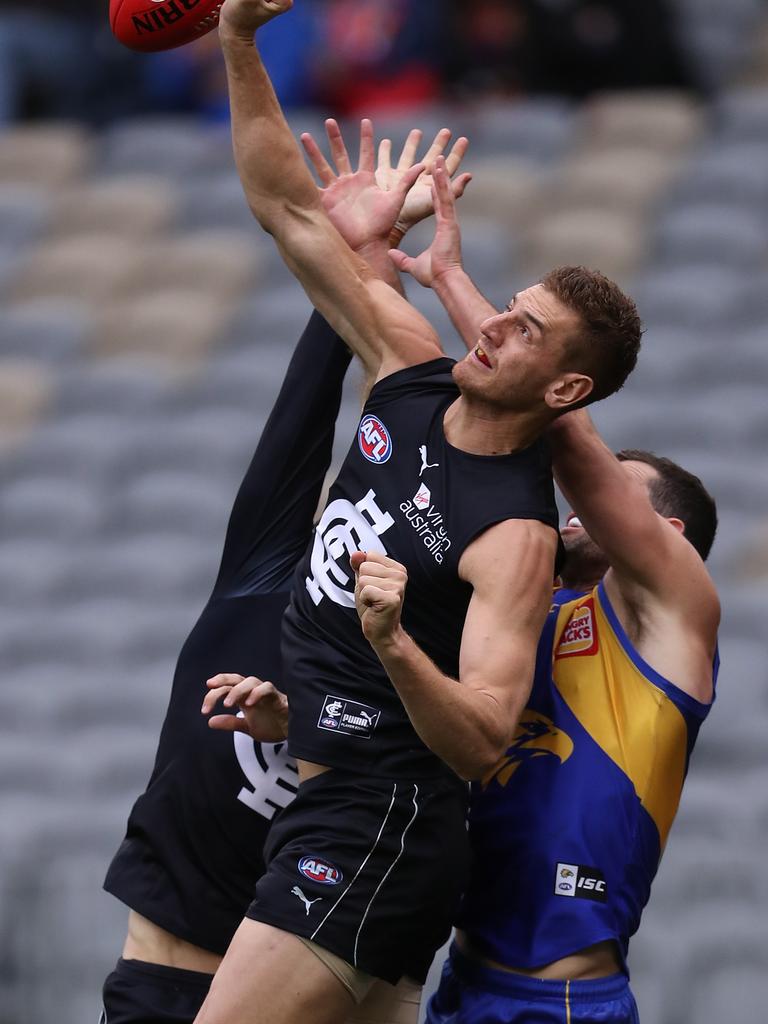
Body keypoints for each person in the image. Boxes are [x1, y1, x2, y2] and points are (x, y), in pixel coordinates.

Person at [194, 3, 642, 1023]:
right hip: (338, 804)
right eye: (509, 305)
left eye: (525, 330)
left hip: (378, 824)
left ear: (566, 391)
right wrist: (237, 43)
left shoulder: (515, 538)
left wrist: (393, 642)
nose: (490, 326)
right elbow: (289, 211)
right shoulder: (409, 374)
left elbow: (486, 738)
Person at [100, 122, 473, 1024]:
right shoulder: (268, 569)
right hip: (170, 983)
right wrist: (361, 249)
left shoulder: (420, 645)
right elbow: (303, 414)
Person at [389, 171, 720, 1022]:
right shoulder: (532, 608)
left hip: (557, 1001)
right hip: (459, 981)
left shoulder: (675, 615)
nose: (583, 505)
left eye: (621, 491)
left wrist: (455, 286)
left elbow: (567, 432)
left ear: (668, 540)